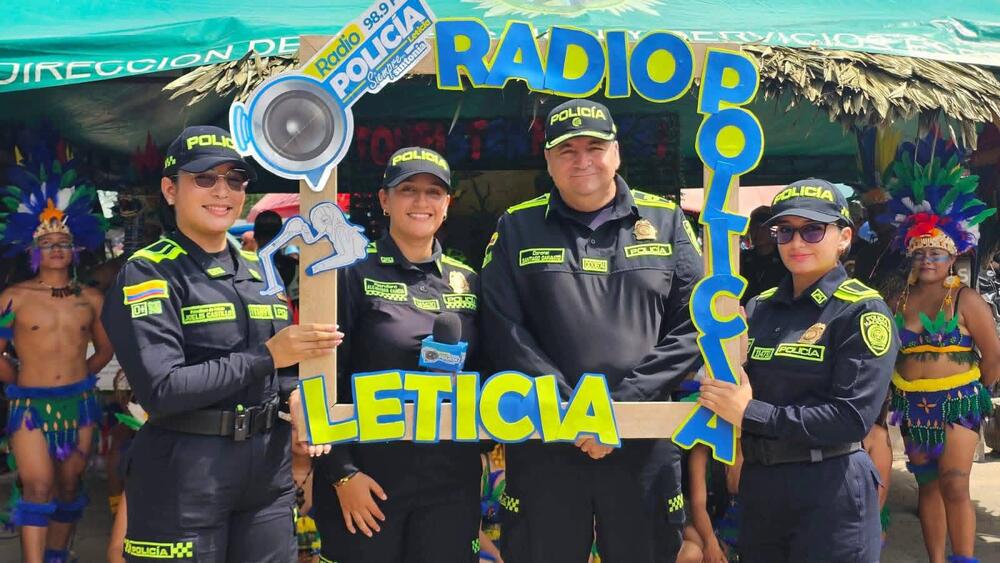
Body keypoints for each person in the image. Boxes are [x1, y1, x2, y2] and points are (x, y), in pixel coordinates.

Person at [101, 125, 342, 562]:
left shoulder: (261, 271)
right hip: (186, 472)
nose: (223, 191)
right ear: (170, 189)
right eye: (205, 178)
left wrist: (300, 400)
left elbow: (282, 375)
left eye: (235, 179)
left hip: (267, 475)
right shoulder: (149, 272)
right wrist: (268, 356)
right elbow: (163, 389)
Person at [479, 99, 703, 562]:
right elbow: (503, 328)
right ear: (548, 160)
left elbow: (695, 326)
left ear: (616, 152)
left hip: (642, 436)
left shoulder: (666, 221)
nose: (582, 160)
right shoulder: (517, 226)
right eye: (566, 150)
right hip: (548, 435)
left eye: (594, 147)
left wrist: (618, 409)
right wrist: (574, 411)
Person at [699, 179, 897, 562]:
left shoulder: (861, 311)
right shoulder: (758, 309)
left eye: (812, 229)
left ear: (843, 237)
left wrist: (750, 413)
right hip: (762, 488)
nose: (797, 242)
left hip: (829, 485)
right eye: (785, 231)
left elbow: (851, 418)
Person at [307, 147, 483, 562]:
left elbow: (489, 373)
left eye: (434, 192)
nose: (421, 202)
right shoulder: (349, 274)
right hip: (368, 480)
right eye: (408, 190)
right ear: (385, 200)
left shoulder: (470, 282)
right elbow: (321, 378)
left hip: (450, 483)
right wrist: (342, 473)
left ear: (446, 205)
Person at [885, 140, 999, 563]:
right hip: (913, 406)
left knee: (954, 482)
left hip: (959, 404)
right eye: (921, 252)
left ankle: (964, 558)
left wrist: (973, 394)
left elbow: (994, 354)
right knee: (927, 485)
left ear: (953, 254)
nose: (928, 259)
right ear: (911, 255)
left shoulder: (966, 299)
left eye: (937, 252)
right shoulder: (898, 298)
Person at [0, 140, 114, 563]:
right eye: (46, 240)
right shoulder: (13, 297)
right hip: (29, 405)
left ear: (76, 247)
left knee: (69, 485)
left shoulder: (91, 299)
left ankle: (56, 556)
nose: (55, 247)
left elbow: (105, 349)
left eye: (62, 239)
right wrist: (22, 381)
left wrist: (77, 375)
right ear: (32, 249)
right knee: (39, 485)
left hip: (80, 403)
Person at [740, 206, 787, 303]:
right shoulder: (744, 258)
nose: (756, 233)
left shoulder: (784, 257)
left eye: (761, 228)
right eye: (753, 228)